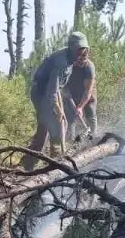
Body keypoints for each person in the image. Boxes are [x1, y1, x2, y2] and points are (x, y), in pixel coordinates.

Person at [27, 31, 92, 164]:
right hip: (41, 93)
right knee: (56, 126)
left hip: (50, 92)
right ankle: (55, 164)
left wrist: (69, 101)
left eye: (83, 50)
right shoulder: (61, 62)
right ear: (72, 47)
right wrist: (58, 109)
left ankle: (29, 163)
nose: (81, 53)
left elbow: (59, 86)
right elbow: (51, 91)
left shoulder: (69, 59)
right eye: (79, 50)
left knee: (58, 125)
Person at [63, 52, 98, 144]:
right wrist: (66, 93)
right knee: (70, 119)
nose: (81, 62)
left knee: (91, 114)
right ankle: (70, 143)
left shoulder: (89, 68)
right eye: (79, 60)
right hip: (71, 94)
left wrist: (80, 107)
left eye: (84, 59)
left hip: (88, 95)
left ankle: (92, 138)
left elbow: (88, 91)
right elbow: (61, 83)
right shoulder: (67, 65)